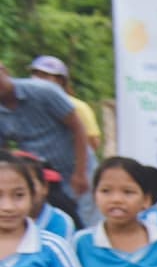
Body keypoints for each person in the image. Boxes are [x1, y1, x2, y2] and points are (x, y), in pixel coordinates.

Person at [1, 63, 93, 203]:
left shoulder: (43, 91)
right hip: (43, 177)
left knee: (86, 218)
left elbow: (78, 128)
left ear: (5, 72)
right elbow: (4, 153)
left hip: (76, 167)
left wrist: (80, 173)